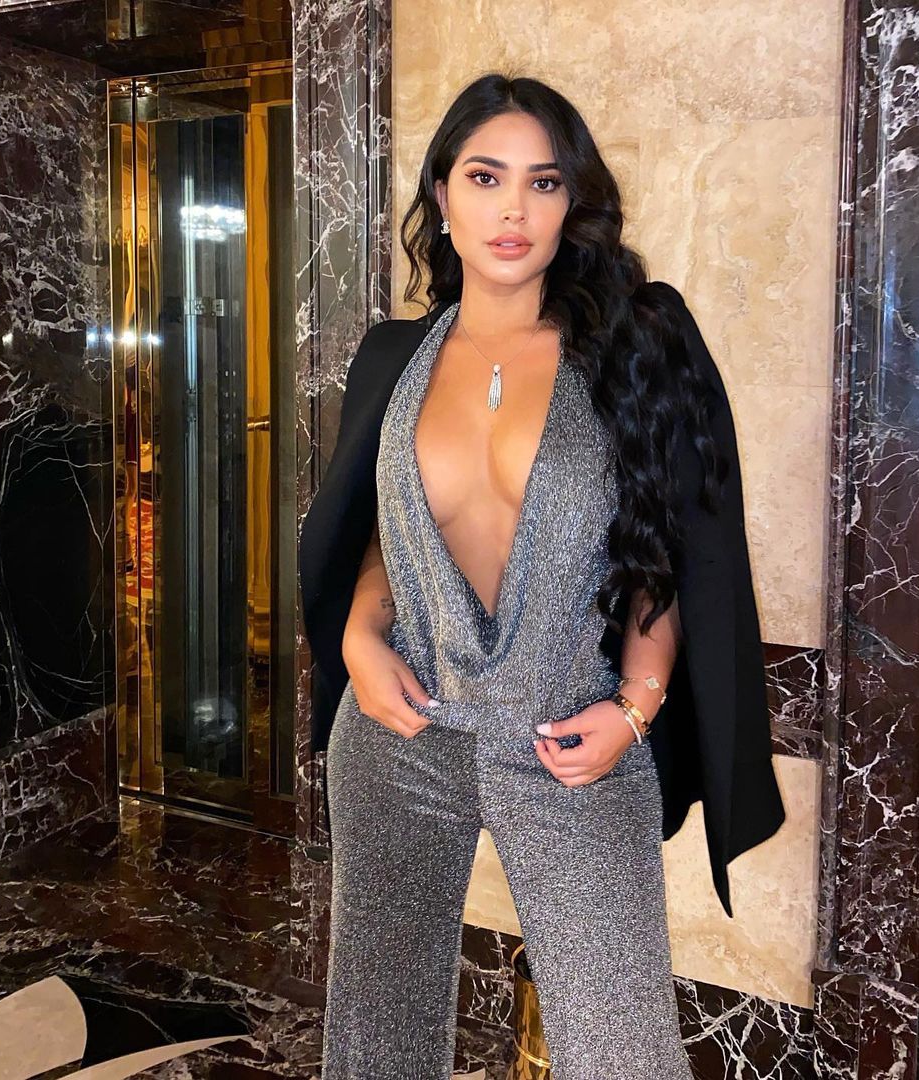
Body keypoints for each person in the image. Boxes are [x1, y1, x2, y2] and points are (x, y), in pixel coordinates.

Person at [298, 71, 785, 1080]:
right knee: (376, 1042)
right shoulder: (392, 358)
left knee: (621, 1051)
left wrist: (637, 704)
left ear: (573, 203)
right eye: (486, 177)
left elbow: (665, 544)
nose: (513, 209)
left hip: (570, 738)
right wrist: (358, 635)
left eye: (544, 182)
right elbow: (386, 532)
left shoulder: (632, 345)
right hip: (399, 735)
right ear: (443, 195)